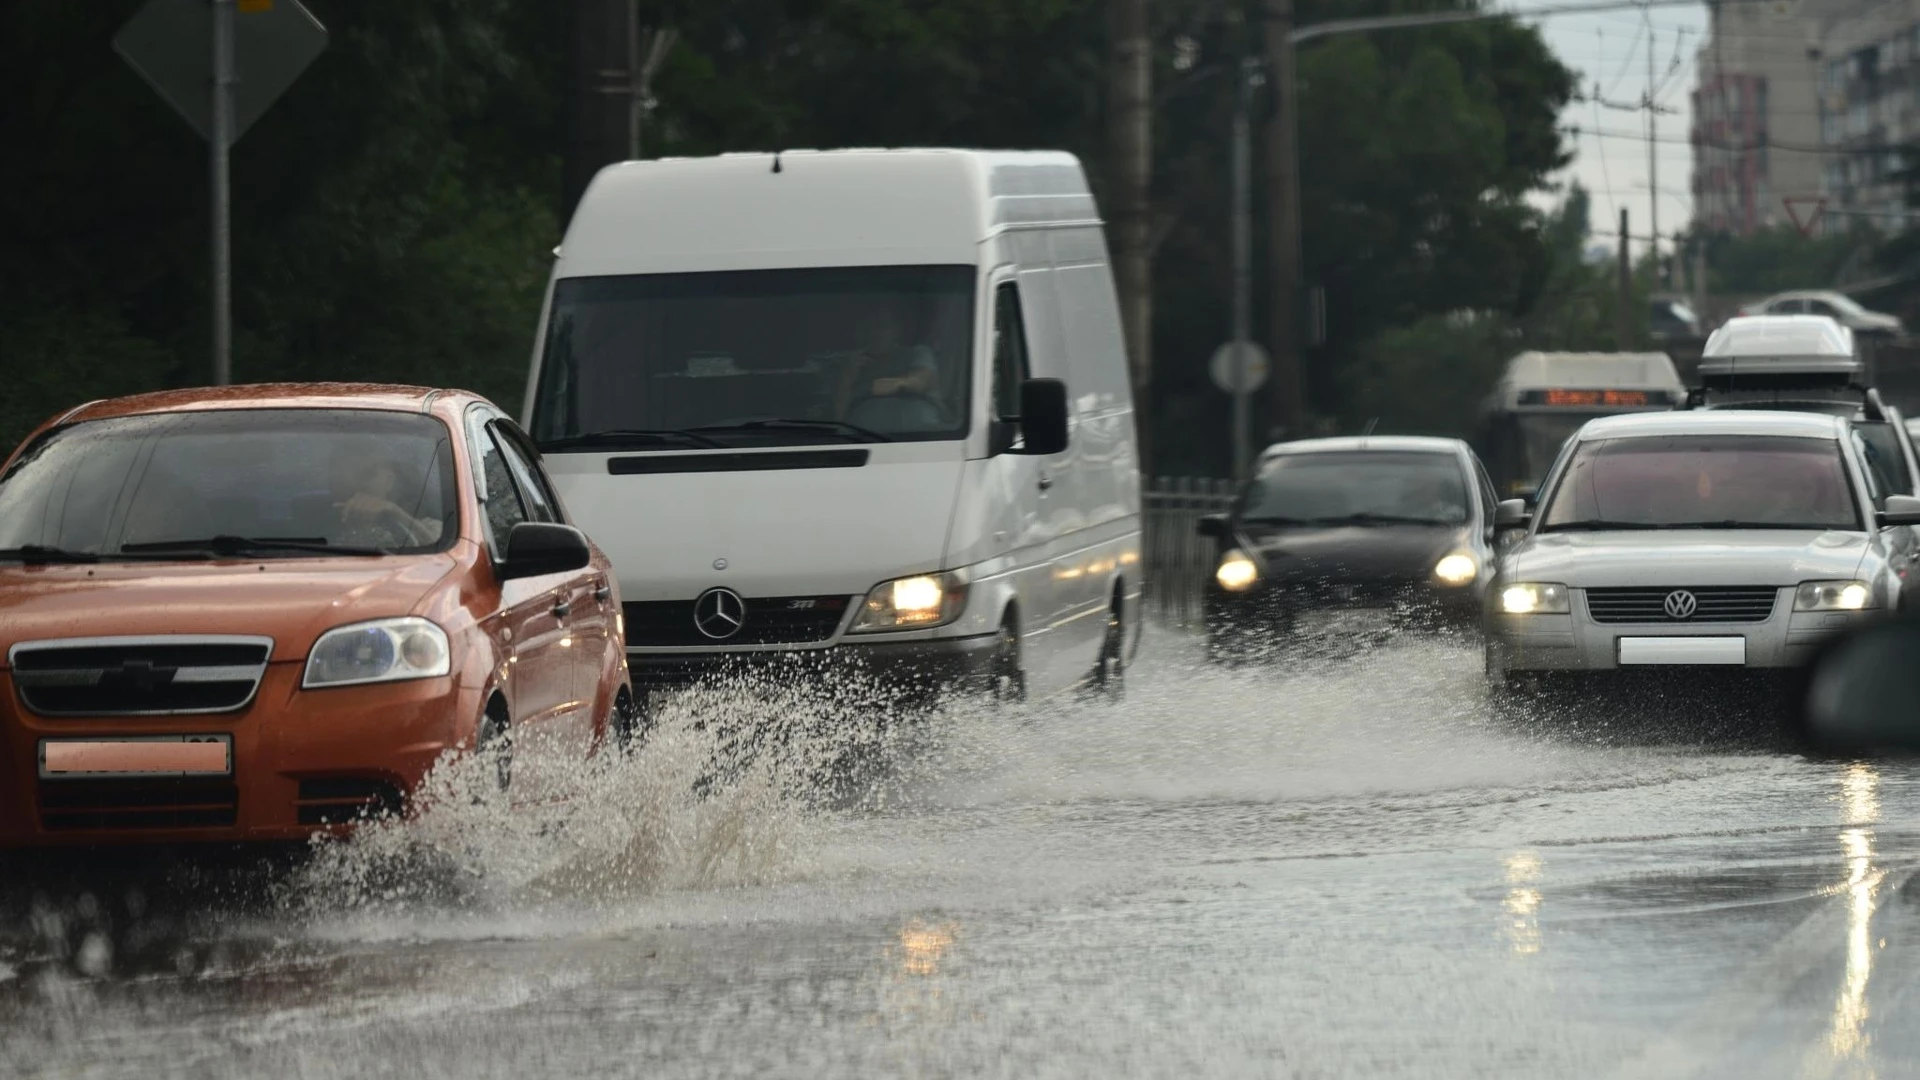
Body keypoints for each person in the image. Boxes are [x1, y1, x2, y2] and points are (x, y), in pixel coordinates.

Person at [834, 306, 945, 423]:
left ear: (896, 331)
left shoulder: (917, 353)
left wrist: (894, 384)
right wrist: (846, 376)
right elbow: (839, 417)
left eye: (881, 326)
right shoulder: (854, 366)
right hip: (862, 438)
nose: (874, 333)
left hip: (924, 436)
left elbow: (923, 381)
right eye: (869, 328)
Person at [332, 454, 437, 548]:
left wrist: (395, 512)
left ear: (389, 481)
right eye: (340, 474)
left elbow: (439, 551)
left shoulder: (429, 526)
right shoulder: (318, 522)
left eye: (368, 473)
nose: (354, 481)